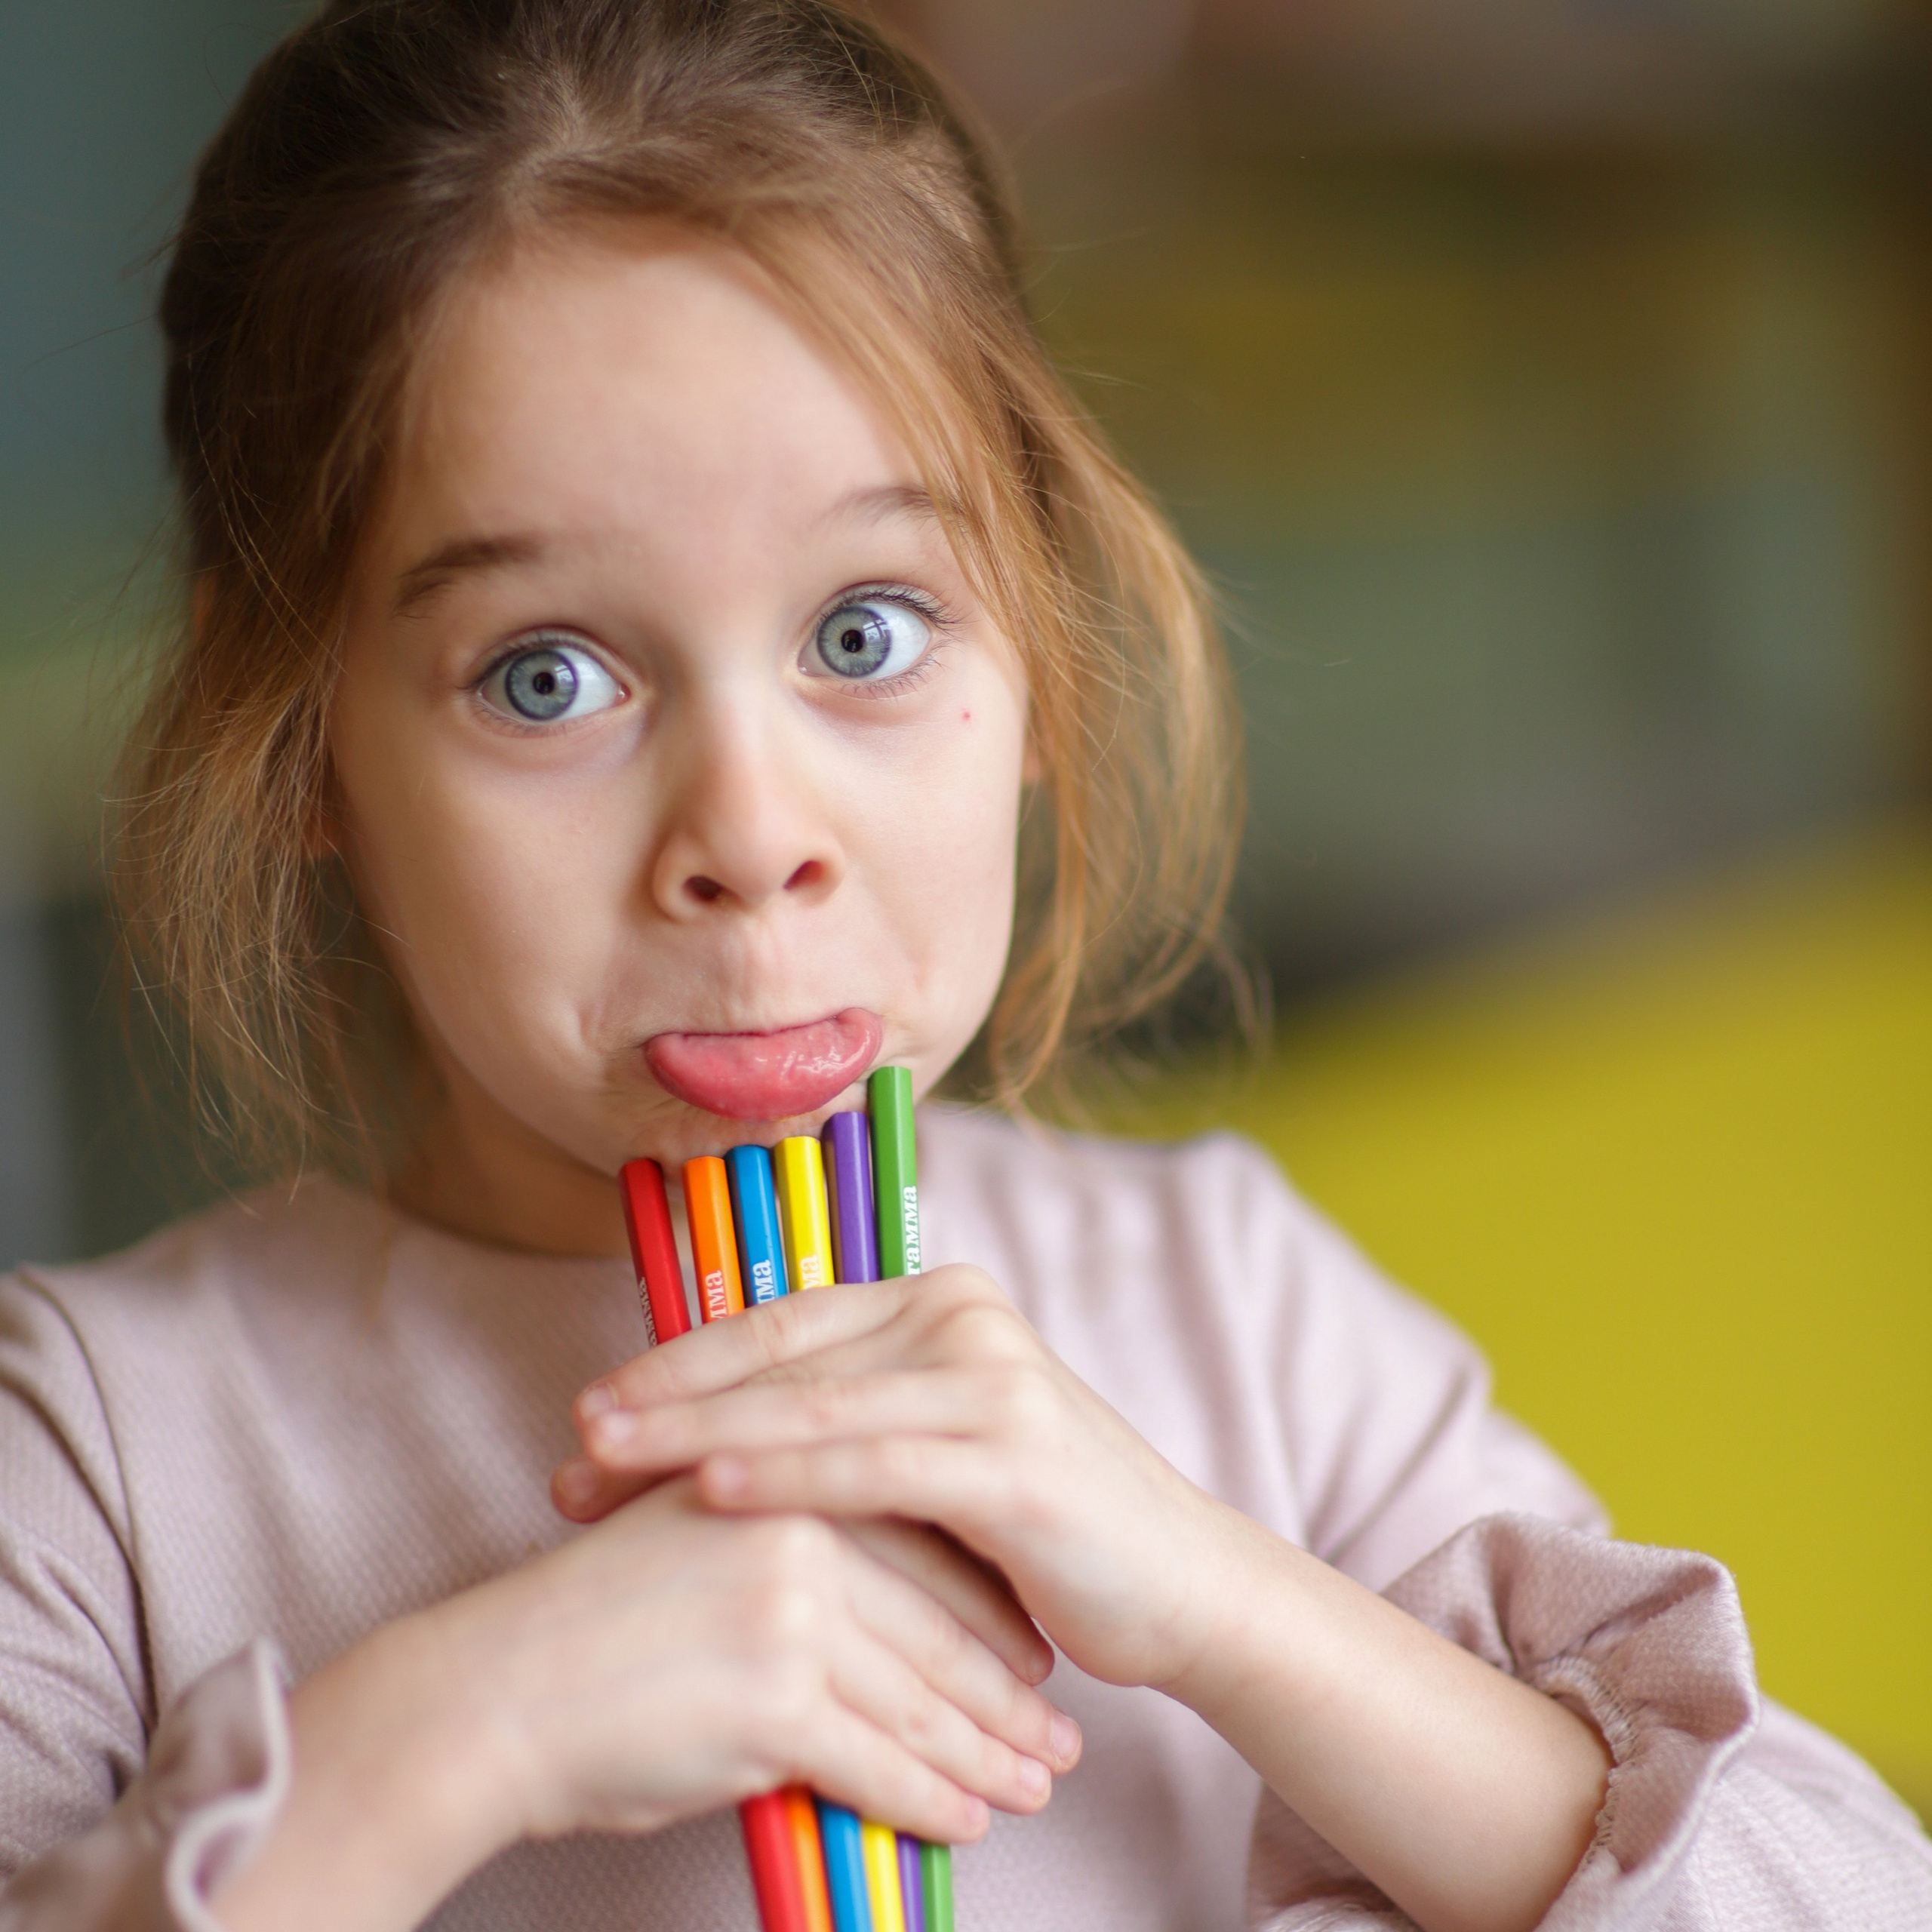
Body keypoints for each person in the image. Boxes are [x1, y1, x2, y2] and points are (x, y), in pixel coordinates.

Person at [2, 2, 1927, 1927]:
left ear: (1032, 648)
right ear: (300, 742)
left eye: (863, 631)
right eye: (546, 675)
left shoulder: (1231, 1313)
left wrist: (1227, 1603)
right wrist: (453, 1733)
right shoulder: (92, 1462)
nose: (750, 837)